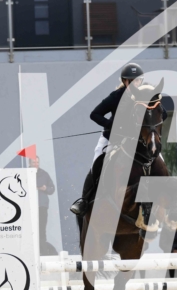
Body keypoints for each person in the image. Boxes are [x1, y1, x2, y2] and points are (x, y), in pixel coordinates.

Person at [70, 62, 168, 215]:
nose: (136, 84)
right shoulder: (116, 97)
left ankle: (171, 193)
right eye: (132, 81)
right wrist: (112, 125)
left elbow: (163, 114)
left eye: (138, 80)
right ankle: (84, 201)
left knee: (159, 159)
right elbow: (95, 114)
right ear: (125, 81)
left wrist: (150, 126)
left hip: (137, 141)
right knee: (97, 163)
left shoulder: (144, 95)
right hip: (112, 138)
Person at [31, 156, 57, 255]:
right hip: (29, 207)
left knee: (41, 229)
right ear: (30, 163)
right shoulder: (26, 173)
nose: (36, 164)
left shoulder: (44, 174)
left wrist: (45, 189)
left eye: (37, 162)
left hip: (42, 206)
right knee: (31, 229)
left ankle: (43, 252)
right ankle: (32, 251)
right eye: (34, 162)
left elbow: (52, 189)